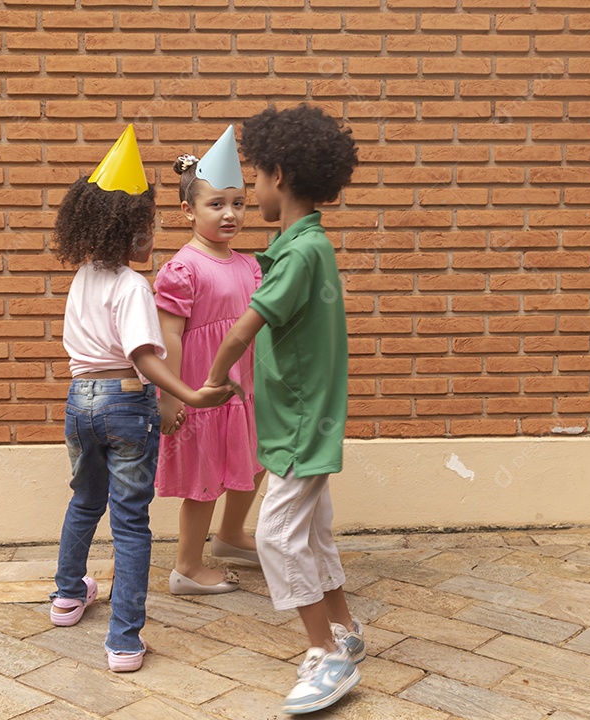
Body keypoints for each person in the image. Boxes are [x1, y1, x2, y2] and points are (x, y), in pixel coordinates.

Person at [50, 125, 235, 674]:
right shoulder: (133, 287)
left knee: (84, 500)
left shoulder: (82, 276)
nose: (150, 235)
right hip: (126, 402)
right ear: (123, 230)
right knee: (130, 523)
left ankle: (66, 596)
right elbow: (145, 357)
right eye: (144, 226)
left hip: (78, 399)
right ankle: (125, 640)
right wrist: (190, 393)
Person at [205, 105, 364, 715]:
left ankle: (325, 655)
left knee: (275, 535)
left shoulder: (298, 256)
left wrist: (212, 382)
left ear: (278, 174)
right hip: (307, 420)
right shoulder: (308, 245)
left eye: (254, 179)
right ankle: (344, 630)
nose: (252, 191)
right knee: (312, 533)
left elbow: (243, 331)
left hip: (301, 426)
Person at [154, 126, 268, 596]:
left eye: (238, 203)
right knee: (203, 479)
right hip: (200, 390)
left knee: (255, 460)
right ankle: (186, 565)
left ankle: (232, 536)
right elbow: (168, 336)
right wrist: (170, 396)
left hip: (245, 388)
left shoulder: (248, 265)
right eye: (215, 204)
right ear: (188, 210)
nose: (229, 214)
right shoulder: (182, 268)